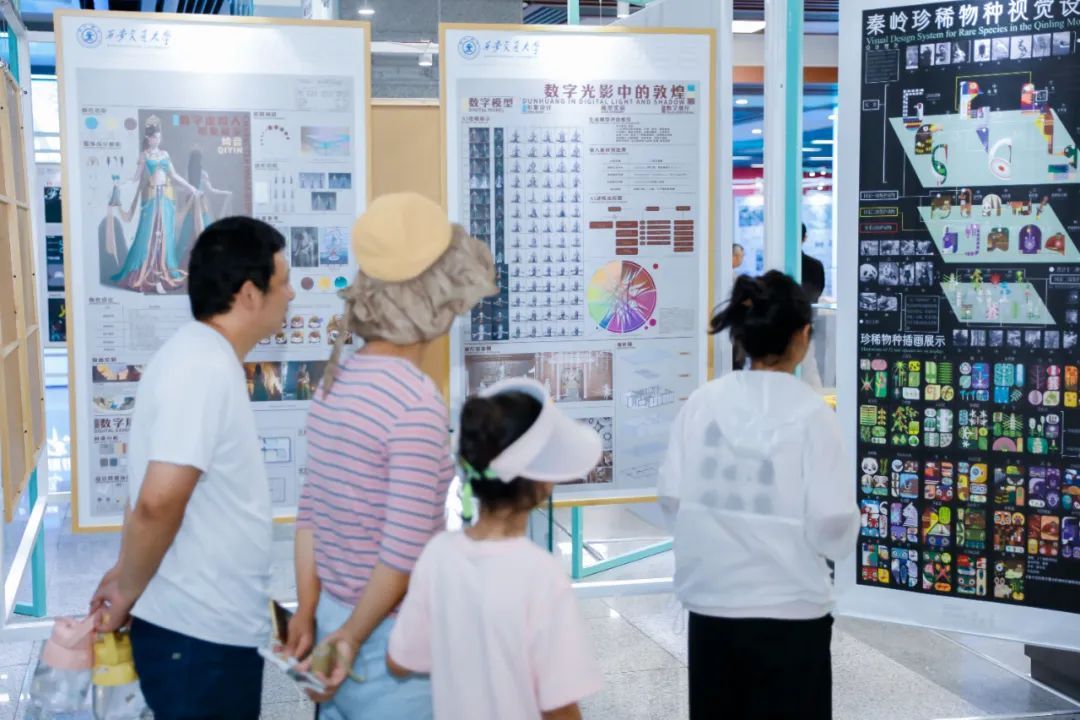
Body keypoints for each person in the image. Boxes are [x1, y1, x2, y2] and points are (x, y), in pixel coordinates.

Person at [286, 193, 496, 720]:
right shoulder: (415, 403)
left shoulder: (334, 381)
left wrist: (309, 612)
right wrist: (351, 638)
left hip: (333, 612)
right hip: (386, 637)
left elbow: (311, 513)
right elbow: (402, 552)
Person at [91, 217, 295, 719]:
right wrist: (127, 590)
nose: (292, 295)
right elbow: (159, 500)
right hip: (196, 638)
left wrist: (125, 571)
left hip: (207, 631)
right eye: (284, 282)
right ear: (249, 294)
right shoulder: (201, 366)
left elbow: (149, 494)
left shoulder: (203, 357)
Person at [658, 271, 859, 720]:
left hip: (711, 607)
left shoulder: (703, 403)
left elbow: (672, 497)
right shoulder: (813, 414)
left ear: (742, 337)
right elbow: (832, 520)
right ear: (802, 336)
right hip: (792, 611)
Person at [387, 378, 604, 720]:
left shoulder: (438, 554)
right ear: (541, 483)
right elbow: (560, 707)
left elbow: (400, 661)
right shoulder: (540, 574)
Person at [111, 116, 199, 294]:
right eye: (153, 137)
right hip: (151, 197)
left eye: (158, 137)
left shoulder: (165, 154)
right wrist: (121, 185)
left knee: (165, 234)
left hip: (165, 198)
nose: (156, 140)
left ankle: (161, 275)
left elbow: (174, 175)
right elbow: (135, 178)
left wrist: (190, 187)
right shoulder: (144, 155)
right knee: (148, 233)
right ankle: (147, 275)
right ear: (148, 138)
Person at [177, 148, 233, 268]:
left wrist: (225, 192)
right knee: (198, 233)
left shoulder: (194, 174)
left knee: (190, 234)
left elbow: (208, 190)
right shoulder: (197, 174)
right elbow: (211, 190)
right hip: (196, 205)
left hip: (195, 205)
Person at [801, 223, 826, 303]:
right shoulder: (816, 266)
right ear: (805, 238)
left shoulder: (776, 268)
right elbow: (816, 293)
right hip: (809, 310)